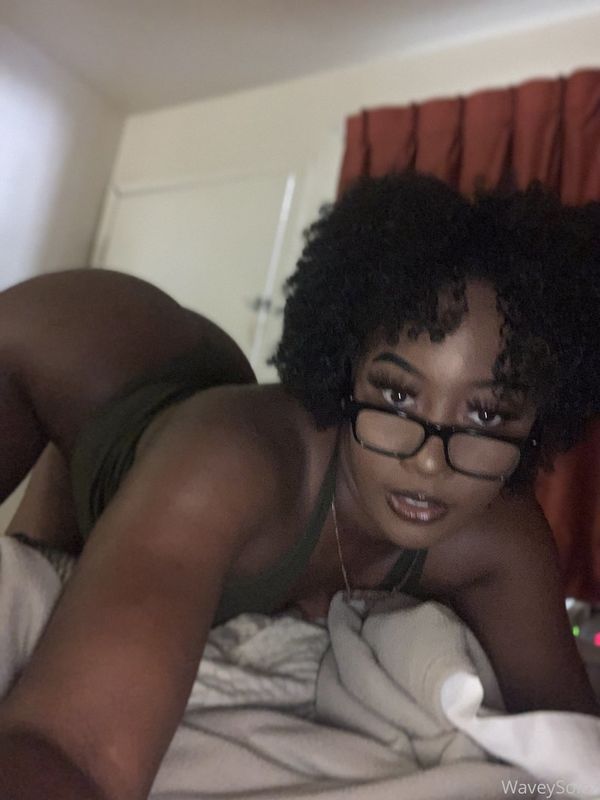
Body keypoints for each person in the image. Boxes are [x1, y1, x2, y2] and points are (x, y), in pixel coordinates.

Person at [0, 172, 599, 800]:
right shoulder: (227, 468)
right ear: (346, 373)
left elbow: (576, 759)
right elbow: (74, 750)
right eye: (397, 395)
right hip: (78, 347)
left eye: (486, 415)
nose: (429, 463)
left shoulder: (503, 543)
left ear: (539, 419)